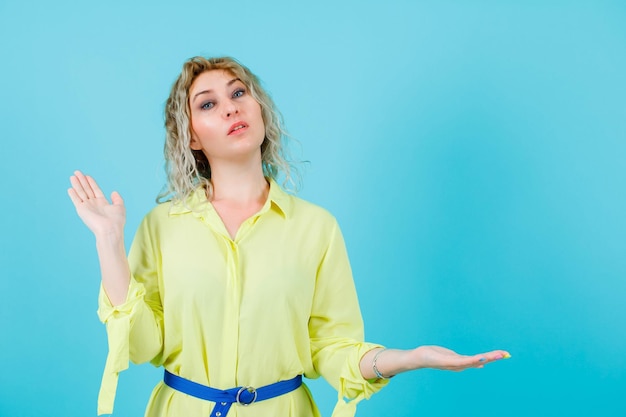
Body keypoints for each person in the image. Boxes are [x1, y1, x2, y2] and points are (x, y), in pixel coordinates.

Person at [67, 56, 510, 417]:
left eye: (239, 92)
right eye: (207, 104)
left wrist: (407, 359)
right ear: (193, 139)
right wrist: (109, 240)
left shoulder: (316, 228)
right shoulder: (161, 226)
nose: (230, 107)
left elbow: (332, 349)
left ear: (259, 109)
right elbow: (143, 345)